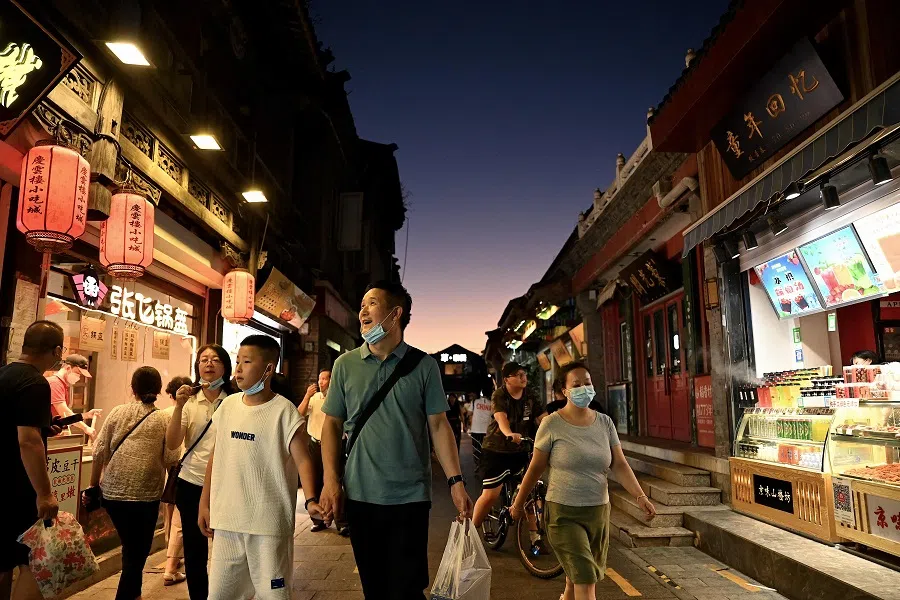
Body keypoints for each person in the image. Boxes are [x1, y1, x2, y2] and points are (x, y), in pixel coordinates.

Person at [319, 280, 473, 600]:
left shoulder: (424, 366)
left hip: (410, 496)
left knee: (407, 587)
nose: (362, 309)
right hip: (361, 494)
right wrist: (331, 481)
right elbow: (331, 425)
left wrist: (456, 481)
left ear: (395, 314)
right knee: (374, 587)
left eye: (371, 303)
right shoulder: (345, 365)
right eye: (362, 304)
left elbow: (439, 426)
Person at [511, 362, 655, 600]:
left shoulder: (605, 423)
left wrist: (640, 496)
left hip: (598, 512)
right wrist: (518, 504)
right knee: (586, 578)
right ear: (564, 391)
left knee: (574, 579)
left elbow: (619, 464)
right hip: (563, 514)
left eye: (587, 383)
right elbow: (536, 467)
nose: (583, 388)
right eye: (576, 384)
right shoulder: (552, 424)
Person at [199, 335, 322, 600]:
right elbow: (216, 455)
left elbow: (303, 460)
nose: (238, 369)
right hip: (228, 522)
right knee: (220, 594)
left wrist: (311, 499)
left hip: (269, 525)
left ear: (268, 368)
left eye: (246, 362)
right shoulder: (227, 406)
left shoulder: (284, 411)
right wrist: (205, 503)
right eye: (238, 362)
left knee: (274, 595)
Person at [90, 367, 181, 600]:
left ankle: (134, 594)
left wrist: (93, 486)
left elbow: (99, 451)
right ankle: (127, 596)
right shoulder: (163, 418)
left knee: (132, 549)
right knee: (136, 551)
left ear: (133, 389)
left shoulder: (117, 412)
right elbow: (172, 458)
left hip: (112, 494)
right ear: (159, 390)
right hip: (145, 495)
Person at [165, 344, 234, 600]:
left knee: (227, 549)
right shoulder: (190, 401)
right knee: (195, 551)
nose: (209, 364)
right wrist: (178, 407)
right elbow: (172, 443)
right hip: (191, 484)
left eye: (215, 359)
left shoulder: (236, 400)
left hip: (227, 484)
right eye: (203, 359)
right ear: (197, 367)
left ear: (225, 366)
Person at [3, 321, 64, 600]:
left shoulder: (4, 374)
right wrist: (45, 494)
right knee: (35, 563)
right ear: (57, 350)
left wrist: (43, 426)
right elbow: (27, 440)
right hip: (18, 488)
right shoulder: (36, 382)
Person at [473, 361, 546, 542]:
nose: (523, 378)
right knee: (491, 495)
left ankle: (535, 536)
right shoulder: (500, 395)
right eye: (519, 375)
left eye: (524, 375)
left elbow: (543, 418)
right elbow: (500, 418)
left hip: (522, 450)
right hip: (496, 450)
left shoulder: (530, 395)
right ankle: (470, 533)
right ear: (507, 379)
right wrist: (508, 433)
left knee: (528, 492)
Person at [299, 369, 349, 535]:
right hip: (315, 444)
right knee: (316, 482)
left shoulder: (340, 397)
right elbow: (299, 414)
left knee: (337, 482)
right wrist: (307, 396)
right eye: (319, 379)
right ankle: (318, 520)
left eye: (324, 379)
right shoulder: (314, 398)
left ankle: (341, 521)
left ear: (332, 380)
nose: (320, 382)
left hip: (336, 445)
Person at [161, 376, 192, 587]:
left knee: (170, 520)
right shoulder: (188, 412)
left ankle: (170, 559)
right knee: (179, 522)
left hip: (170, 473)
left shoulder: (164, 414)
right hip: (182, 471)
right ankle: (172, 565)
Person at [46, 354, 101, 441]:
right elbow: (64, 412)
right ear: (68, 368)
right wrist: (85, 428)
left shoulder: (62, 385)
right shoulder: (55, 383)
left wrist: (86, 415)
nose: (78, 377)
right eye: (78, 373)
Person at [469, 393, 493, 471]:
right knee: (486, 448)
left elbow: (469, 413)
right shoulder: (491, 403)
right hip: (487, 430)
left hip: (476, 429)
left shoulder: (474, 402)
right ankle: (485, 464)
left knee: (476, 448)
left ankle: (478, 464)